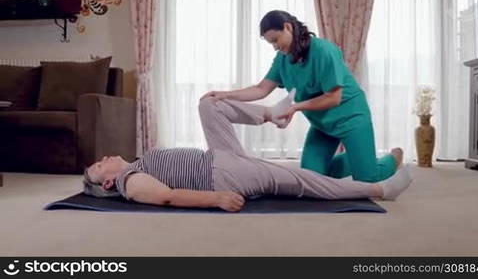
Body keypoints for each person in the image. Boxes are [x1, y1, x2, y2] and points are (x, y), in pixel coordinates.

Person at [82, 97, 412, 212]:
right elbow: (168, 197)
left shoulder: (138, 163)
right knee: (303, 179)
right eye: (99, 166)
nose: (104, 157)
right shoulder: (131, 182)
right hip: (221, 176)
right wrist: (218, 199)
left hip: (217, 156)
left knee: (207, 104)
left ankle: (272, 112)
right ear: (109, 183)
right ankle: (380, 190)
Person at [201, 10, 402, 183]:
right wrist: (225, 95)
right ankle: (360, 156)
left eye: (275, 40)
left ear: (288, 27)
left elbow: (334, 98)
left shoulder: (324, 50)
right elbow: (261, 89)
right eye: (271, 43)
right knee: (311, 177)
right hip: (323, 124)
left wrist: (296, 107)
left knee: (366, 180)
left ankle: (391, 158)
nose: (275, 47)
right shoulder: (282, 59)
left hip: (351, 117)